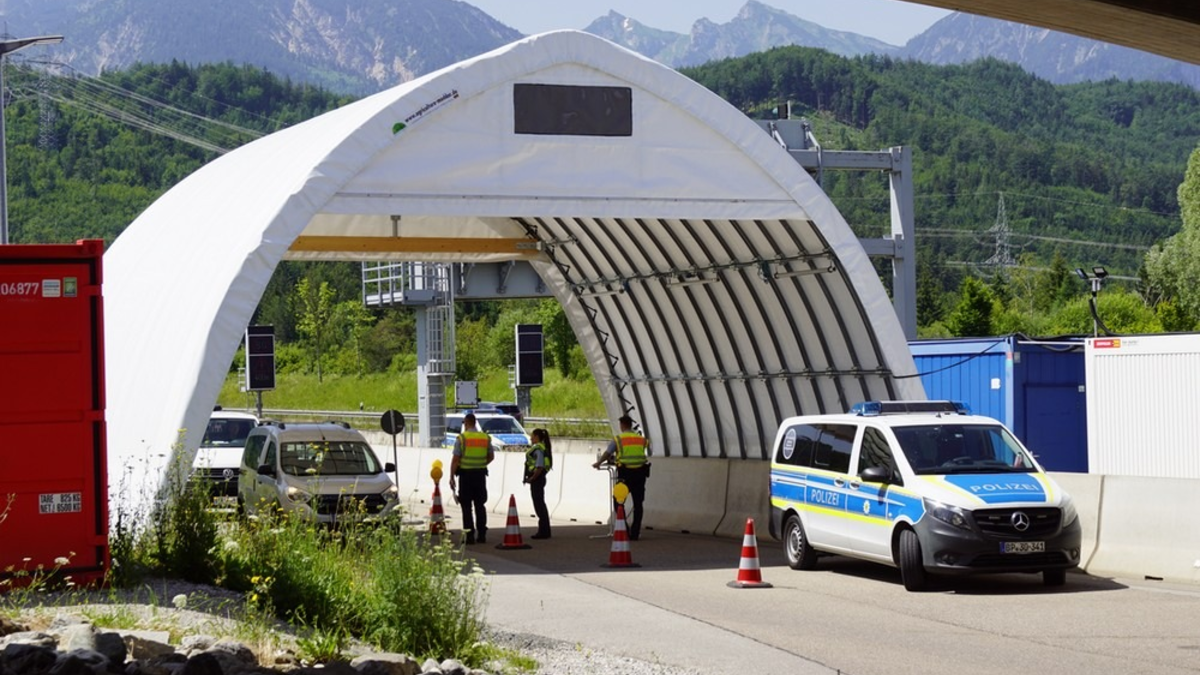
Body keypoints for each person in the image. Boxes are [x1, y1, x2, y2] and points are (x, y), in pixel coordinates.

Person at [592, 414, 650, 540]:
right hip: (640, 474)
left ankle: (624, 529)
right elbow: (641, 452)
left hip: (625, 474)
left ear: (622, 425)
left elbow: (608, 453)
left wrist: (598, 463)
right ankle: (635, 533)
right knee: (638, 504)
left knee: (618, 501)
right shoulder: (641, 439)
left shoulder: (619, 439)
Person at [449, 413, 494, 544]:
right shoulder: (485, 438)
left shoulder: (462, 438)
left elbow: (455, 460)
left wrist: (451, 477)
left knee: (466, 506)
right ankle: (482, 535)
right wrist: (480, 463)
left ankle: (469, 536)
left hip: (466, 476)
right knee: (480, 505)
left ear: (466, 423)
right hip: (480, 476)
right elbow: (491, 456)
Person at [524, 428, 553, 539]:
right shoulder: (541, 448)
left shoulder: (538, 449)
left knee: (539, 505)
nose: (531, 438)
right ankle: (544, 530)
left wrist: (532, 478)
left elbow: (539, 466)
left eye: (532, 436)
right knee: (540, 503)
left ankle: (544, 531)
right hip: (539, 478)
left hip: (537, 479)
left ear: (536, 437)